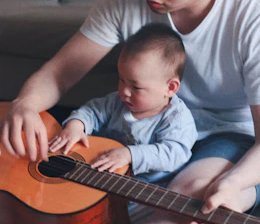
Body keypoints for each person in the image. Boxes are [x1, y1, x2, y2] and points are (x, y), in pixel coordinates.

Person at [1, 0, 260, 224]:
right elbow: (61, 71)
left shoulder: (252, 12)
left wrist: (233, 184)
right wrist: (25, 104)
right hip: (143, 123)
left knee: (187, 198)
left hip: (226, 134)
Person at [49, 23, 198, 185]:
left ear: (170, 88)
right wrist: (76, 126)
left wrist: (130, 154)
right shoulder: (117, 102)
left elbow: (174, 154)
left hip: (145, 186)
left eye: (136, 87)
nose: (125, 91)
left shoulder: (176, 118)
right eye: (121, 79)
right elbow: (92, 111)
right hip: (102, 172)